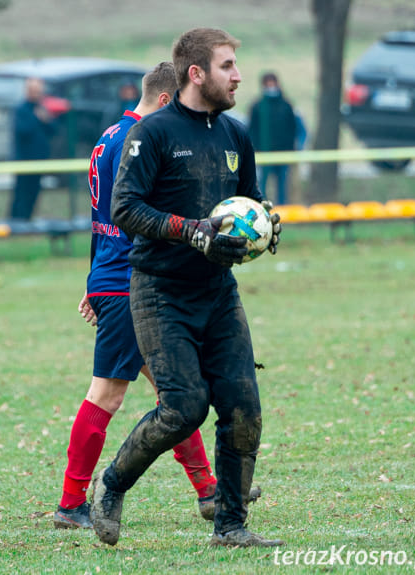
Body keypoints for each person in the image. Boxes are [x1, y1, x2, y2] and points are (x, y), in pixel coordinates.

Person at [90, 28, 283, 548]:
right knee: (184, 407)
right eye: (227, 66)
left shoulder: (236, 135)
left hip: (218, 292)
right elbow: (124, 209)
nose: (238, 74)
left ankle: (231, 526)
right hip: (159, 290)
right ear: (195, 74)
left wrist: (265, 220)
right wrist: (189, 229)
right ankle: (111, 486)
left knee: (243, 408)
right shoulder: (151, 133)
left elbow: (250, 199)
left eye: (236, 64)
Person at [54, 62, 228, 530]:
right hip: (132, 282)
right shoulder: (143, 143)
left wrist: (93, 281)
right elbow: (138, 218)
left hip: (115, 278)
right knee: (107, 394)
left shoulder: (108, 135)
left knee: (175, 393)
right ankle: (72, 504)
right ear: (169, 101)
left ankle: (209, 490)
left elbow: (101, 218)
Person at [247, 72, 297, 205]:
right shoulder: (257, 106)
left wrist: (291, 148)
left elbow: (292, 128)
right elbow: (252, 130)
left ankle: (283, 208)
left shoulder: (286, 105)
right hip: (264, 153)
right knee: (262, 185)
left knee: (282, 185)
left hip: (283, 153)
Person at [9, 77, 56, 221]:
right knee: (22, 191)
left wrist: (46, 118)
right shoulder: (21, 109)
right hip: (24, 159)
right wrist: (37, 118)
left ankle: (28, 218)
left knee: (34, 191)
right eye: (33, 91)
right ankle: (18, 219)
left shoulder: (41, 109)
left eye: (38, 91)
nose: (36, 94)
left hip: (39, 159)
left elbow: (53, 130)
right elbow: (22, 131)